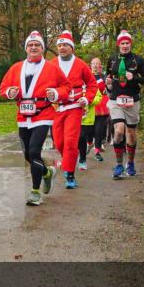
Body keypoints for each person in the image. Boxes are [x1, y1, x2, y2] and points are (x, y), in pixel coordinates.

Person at [0, 31, 71, 205]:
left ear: (42, 48)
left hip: (43, 114)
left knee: (34, 151)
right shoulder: (16, 68)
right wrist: (10, 92)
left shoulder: (52, 67)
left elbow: (66, 87)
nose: (33, 47)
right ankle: (47, 173)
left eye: (37, 45)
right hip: (23, 115)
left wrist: (55, 93)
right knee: (27, 154)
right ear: (26, 49)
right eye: (30, 45)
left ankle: (35, 191)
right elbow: (3, 88)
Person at [50, 31, 98, 189]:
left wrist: (86, 99)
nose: (62, 48)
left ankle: (69, 174)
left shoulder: (81, 64)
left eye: (65, 45)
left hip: (74, 107)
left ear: (72, 47)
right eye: (60, 45)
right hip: (57, 108)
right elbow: (44, 83)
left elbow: (92, 84)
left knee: (70, 141)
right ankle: (69, 159)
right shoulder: (51, 65)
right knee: (59, 142)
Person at [105, 30, 144, 179]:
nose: (125, 46)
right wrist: (108, 84)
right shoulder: (112, 59)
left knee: (131, 134)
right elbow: (109, 77)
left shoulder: (138, 60)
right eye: (122, 43)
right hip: (115, 100)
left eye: (127, 43)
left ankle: (130, 163)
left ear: (130, 44)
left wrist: (135, 77)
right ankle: (119, 165)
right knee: (119, 131)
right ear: (118, 44)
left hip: (132, 100)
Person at [78, 57, 109, 169]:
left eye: (97, 63)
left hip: (100, 106)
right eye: (93, 63)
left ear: (100, 66)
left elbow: (107, 90)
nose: (95, 65)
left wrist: (108, 86)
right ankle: (89, 143)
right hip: (88, 108)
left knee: (99, 130)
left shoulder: (104, 77)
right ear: (90, 65)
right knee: (88, 132)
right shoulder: (85, 77)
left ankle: (96, 151)